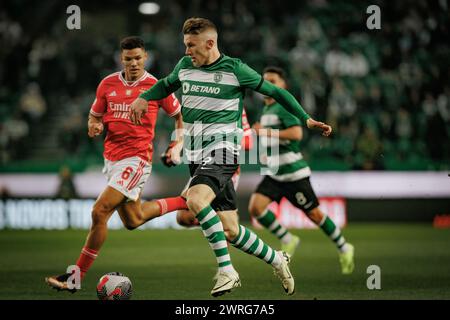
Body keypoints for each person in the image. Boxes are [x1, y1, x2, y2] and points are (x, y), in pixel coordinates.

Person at [129, 18, 332, 297]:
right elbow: (165, 85)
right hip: (196, 155)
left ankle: (227, 270)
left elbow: (275, 92)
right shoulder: (185, 66)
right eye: (185, 45)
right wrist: (144, 98)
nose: (187, 51)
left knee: (196, 200)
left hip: (224, 150)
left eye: (192, 45)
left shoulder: (235, 69)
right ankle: (277, 259)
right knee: (230, 230)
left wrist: (306, 120)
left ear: (210, 43)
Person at [45, 36, 188, 293]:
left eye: (137, 58)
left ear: (146, 57)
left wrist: (176, 144)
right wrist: (94, 125)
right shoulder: (107, 84)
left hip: (137, 160)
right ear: (121, 59)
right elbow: (94, 115)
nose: (133, 63)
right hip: (112, 160)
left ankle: (74, 278)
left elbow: (180, 116)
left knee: (99, 211)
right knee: (133, 219)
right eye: (128, 59)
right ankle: (184, 201)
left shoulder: (156, 86)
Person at [249, 66, 354, 274]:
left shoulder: (282, 106)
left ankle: (344, 246)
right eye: (265, 80)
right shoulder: (267, 109)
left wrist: (266, 132)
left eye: (273, 80)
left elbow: (296, 133)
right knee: (255, 208)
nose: (267, 85)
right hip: (275, 174)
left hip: (294, 174)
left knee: (314, 215)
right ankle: (288, 239)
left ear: (283, 85)